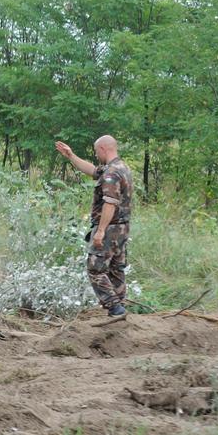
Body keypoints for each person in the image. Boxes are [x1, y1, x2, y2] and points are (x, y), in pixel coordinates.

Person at [54, 135, 134, 316]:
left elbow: (110, 203)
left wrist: (100, 231)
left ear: (104, 149)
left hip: (110, 229)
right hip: (122, 229)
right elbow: (92, 170)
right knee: (115, 269)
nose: (96, 155)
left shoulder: (111, 173)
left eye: (97, 151)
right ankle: (119, 309)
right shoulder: (120, 168)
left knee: (95, 268)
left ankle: (115, 308)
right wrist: (71, 156)